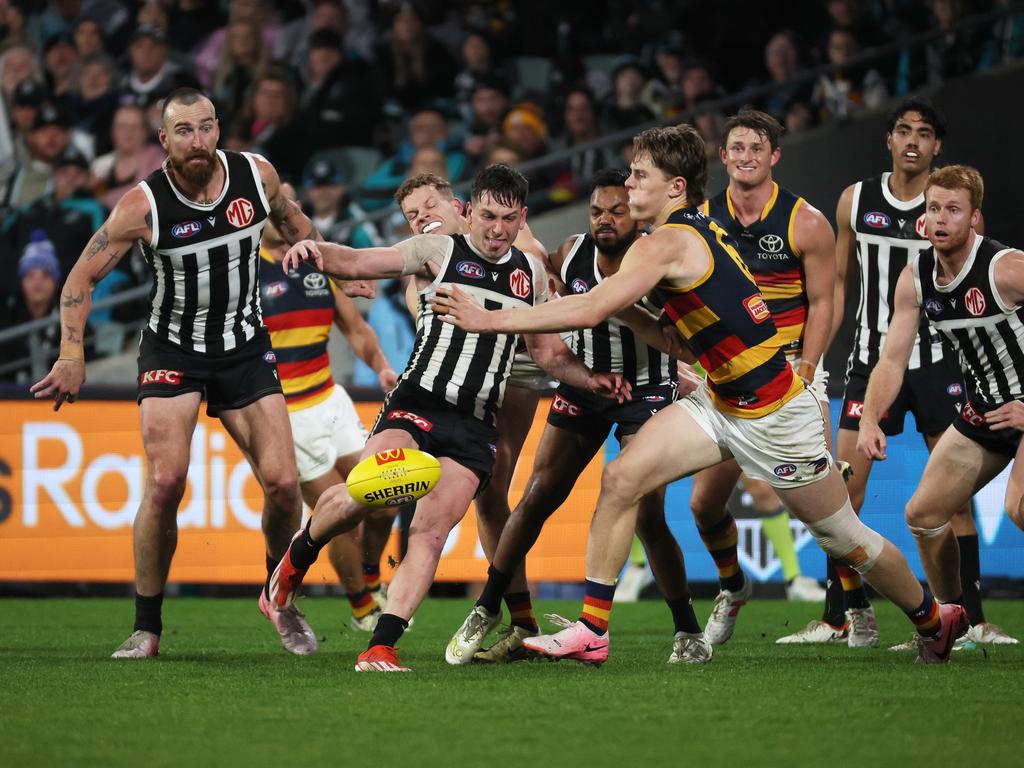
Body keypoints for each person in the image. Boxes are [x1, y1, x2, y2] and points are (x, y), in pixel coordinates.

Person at [433, 124, 968, 665]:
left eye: (641, 175)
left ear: (674, 187)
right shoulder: (689, 231)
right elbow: (674, 342)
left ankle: (935, 619)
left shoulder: (666, 242)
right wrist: (623, 307)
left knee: (841, 535)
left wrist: (485, 320)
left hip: (776, 413)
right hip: (721, 401)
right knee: (622, 478)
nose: (630, 185)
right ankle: (593, 628)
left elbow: (590, 309)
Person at [30, 87, 363, 659]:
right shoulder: (142, 206)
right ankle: (146, 626)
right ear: (163, 141)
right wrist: (71, 353)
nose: (198, 141)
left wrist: (335, 266)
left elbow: (293, 224)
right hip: (173, 350)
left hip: (244, 345)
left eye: (206, 127)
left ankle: (278, 597)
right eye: (184, 131)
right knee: (165, 483)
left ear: (218, 129)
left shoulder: (255, 175)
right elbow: (79, 279)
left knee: (284, 487)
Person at [268, 164, 629, 672]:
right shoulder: (437, 251)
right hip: (417, 403)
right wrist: (317, 252)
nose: (496, 229)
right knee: (367, 493)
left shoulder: (529, 274)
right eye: (487, 216)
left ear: (522, 217)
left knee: (431, 533)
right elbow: (363, 260)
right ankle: (293, 563)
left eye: (507, 219)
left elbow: (547, 354)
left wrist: (592, 379)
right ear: (470, 211)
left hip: (476, 423)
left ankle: (381, 646)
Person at [445, 169, 713, 665]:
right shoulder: (570, 253)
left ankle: (688, 630)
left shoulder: (654, 258)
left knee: (649, 516)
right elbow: (527, 250)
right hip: (585, 387)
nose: (605, 220)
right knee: (536, 495)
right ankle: (486, 608)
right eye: (596, 211)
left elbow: (685, 327)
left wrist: (684, 366)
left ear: (634, 214)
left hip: (647, 391)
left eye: (616, 210)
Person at [782, 98, 1016, 646]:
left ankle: (972, 619)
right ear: (887, 139)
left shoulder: (951, 205)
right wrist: (823, 355)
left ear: (937, 147)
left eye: (925, 133)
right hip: (871, 361)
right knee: (839, 493)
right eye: (904, 130)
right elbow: (835, 285)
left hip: (940, 365)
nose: (913, 140)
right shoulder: (855, 201)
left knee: (952, 500)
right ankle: (845, 614)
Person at [857, 165, 1023, 647]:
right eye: (934, 209)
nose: (942, 218)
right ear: (924, 221)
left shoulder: (1005, 269)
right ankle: (953, 623)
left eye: (954, 209)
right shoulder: (915, 280)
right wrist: (869, 418)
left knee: (1019, 508)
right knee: (924, 515)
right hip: (985, 413)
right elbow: (891, 359)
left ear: (975, 219)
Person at [689, 109, 835, 645]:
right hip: (726, 377)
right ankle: (733, 588)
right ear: (722, 156)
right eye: (737, 148)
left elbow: (824, 303)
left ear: (774, 156)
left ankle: (850, 607)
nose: (746, 156)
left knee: (823, 504)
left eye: (757, 147)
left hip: (793, 372)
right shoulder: (700, 220)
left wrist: (809, 367)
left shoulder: (806, 222)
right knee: (704, 506)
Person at [393, 171, 553, 651]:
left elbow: (538, 271)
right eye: (411, 215)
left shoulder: (506, 233)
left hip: (522, 362)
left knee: (494, 484)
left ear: (458, 207)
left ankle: (510, 610)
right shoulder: (427, 264)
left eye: (428, 208)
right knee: (488, 493)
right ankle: (515, 614)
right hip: (468, 375)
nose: (421, 218)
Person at [259, 180, 398, 631]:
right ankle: (361, 606)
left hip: (330, 399)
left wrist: (380, 367)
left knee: (386, 496)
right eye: (280, 201)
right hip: (286, 414)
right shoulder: (246, 274)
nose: (291, 208)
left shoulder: (316, 265)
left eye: (293, 200)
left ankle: (373, 574)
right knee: (340, 512)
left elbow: (355, 329)